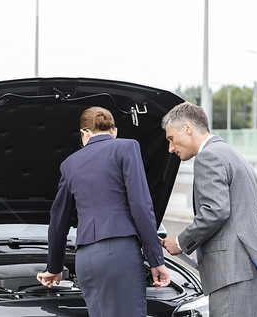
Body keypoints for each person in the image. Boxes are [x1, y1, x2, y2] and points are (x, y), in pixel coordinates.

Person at [37, 106, 169, 317]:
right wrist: (156, 259)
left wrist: (54, 267)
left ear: (84, 134)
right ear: (114, 131)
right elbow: (141, 207)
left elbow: (58, 221)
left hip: (85, 260)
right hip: (119, 253)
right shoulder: (127, 147)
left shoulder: (70, 163)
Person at [160, 102, 257, 316]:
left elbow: (215, 211)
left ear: (188, 128)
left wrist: (180, 242)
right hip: (251, 270)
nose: (170, 148)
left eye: (171, 138)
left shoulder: (208, 156)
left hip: (231, 273)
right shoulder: (235, 156)